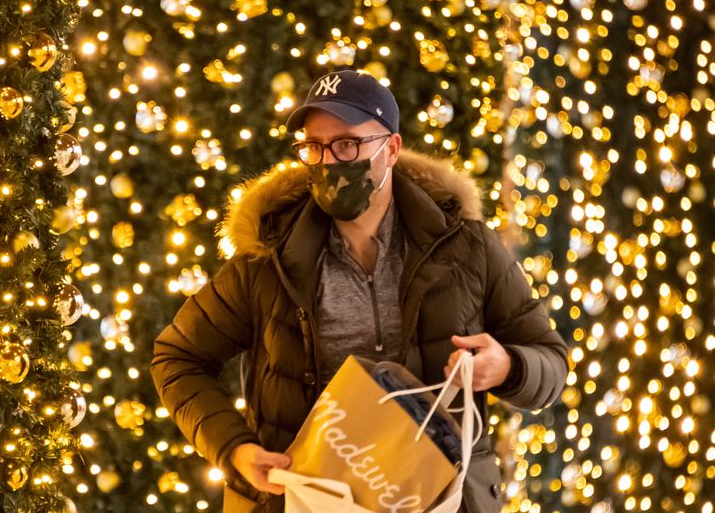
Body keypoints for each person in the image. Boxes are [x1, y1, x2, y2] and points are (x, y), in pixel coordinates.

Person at [151, 70, 569, 512]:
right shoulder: (268, 257)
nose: (330, 161)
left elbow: (551, 360)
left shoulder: (466, 246)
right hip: (304, 499)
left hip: (434, 499)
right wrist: (234, 449)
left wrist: (508, 366)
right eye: (315, 146)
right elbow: (177, 357)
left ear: (391, 149)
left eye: (348, 144)